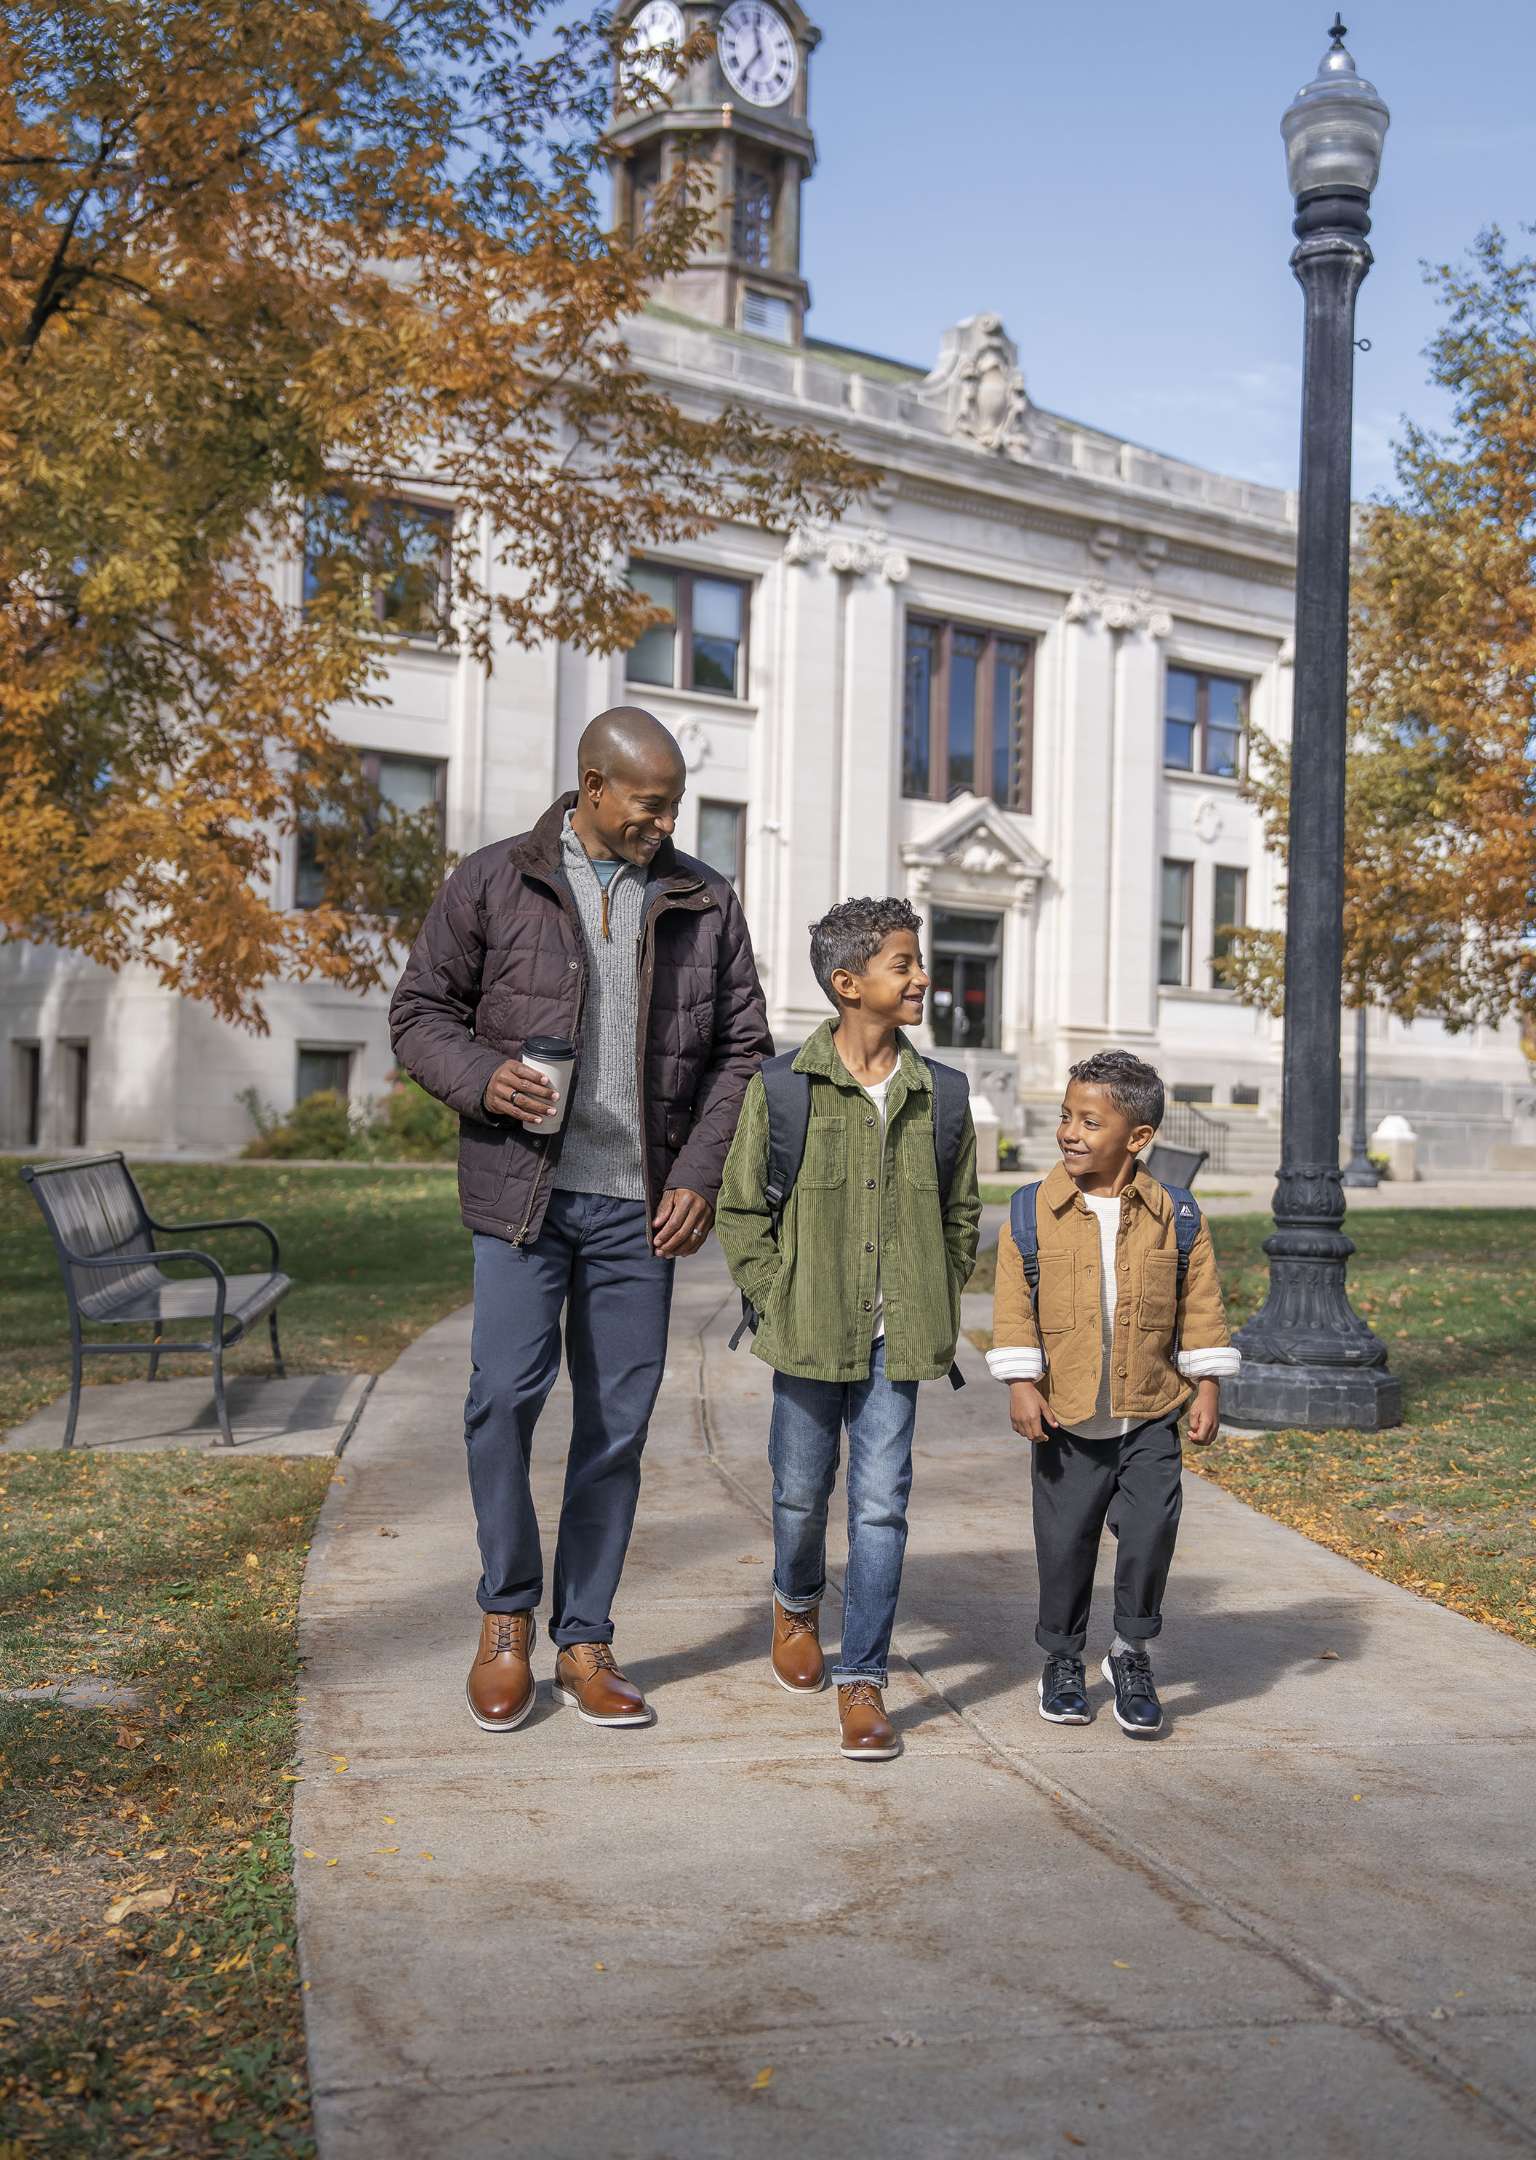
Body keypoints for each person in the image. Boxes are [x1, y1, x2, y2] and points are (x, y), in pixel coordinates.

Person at [390, 708, 771, 1733]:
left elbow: (743, 1052)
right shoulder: (492, 879)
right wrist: (484, 1080)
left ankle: (585, 1638)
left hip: (636, 1214)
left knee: (616, 1427)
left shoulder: (704, 899)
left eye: (674, 806)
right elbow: (419, 1012)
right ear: (594, 787)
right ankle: (506, 1618)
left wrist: (698, 1172)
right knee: (502, 1403)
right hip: (524, 1199)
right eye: (651, 805)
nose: (665, 822)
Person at [715, 897, 980, 1762]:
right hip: (807, 1335)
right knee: (798, 1495)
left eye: (916, 961)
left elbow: (962, 1214)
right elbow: (741, 1208)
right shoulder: (783, 1087)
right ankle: (796, 1605)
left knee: (879, 1508)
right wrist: (778, 1293)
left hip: (895, 1341)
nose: (920, 978)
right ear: (847, 983)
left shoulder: (941, 1093)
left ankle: (863, 1680)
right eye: (902, 964)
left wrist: (935, 1290)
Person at [987, 1048, 1239, 1736]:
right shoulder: (1031, 1212)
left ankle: (1130, 1652)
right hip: (1064, 1419)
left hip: (1149, 1412)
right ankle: (1063, 1659)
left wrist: (1208, 1385)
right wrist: (1021, 1383)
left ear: (1137, 1138)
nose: (1070, 1131)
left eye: (1089, 1121)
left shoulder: (1176, 1216)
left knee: (1151, 1531)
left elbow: (1201, 1304)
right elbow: (1012, 1308)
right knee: (1064, 1542)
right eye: (1067, 1116)